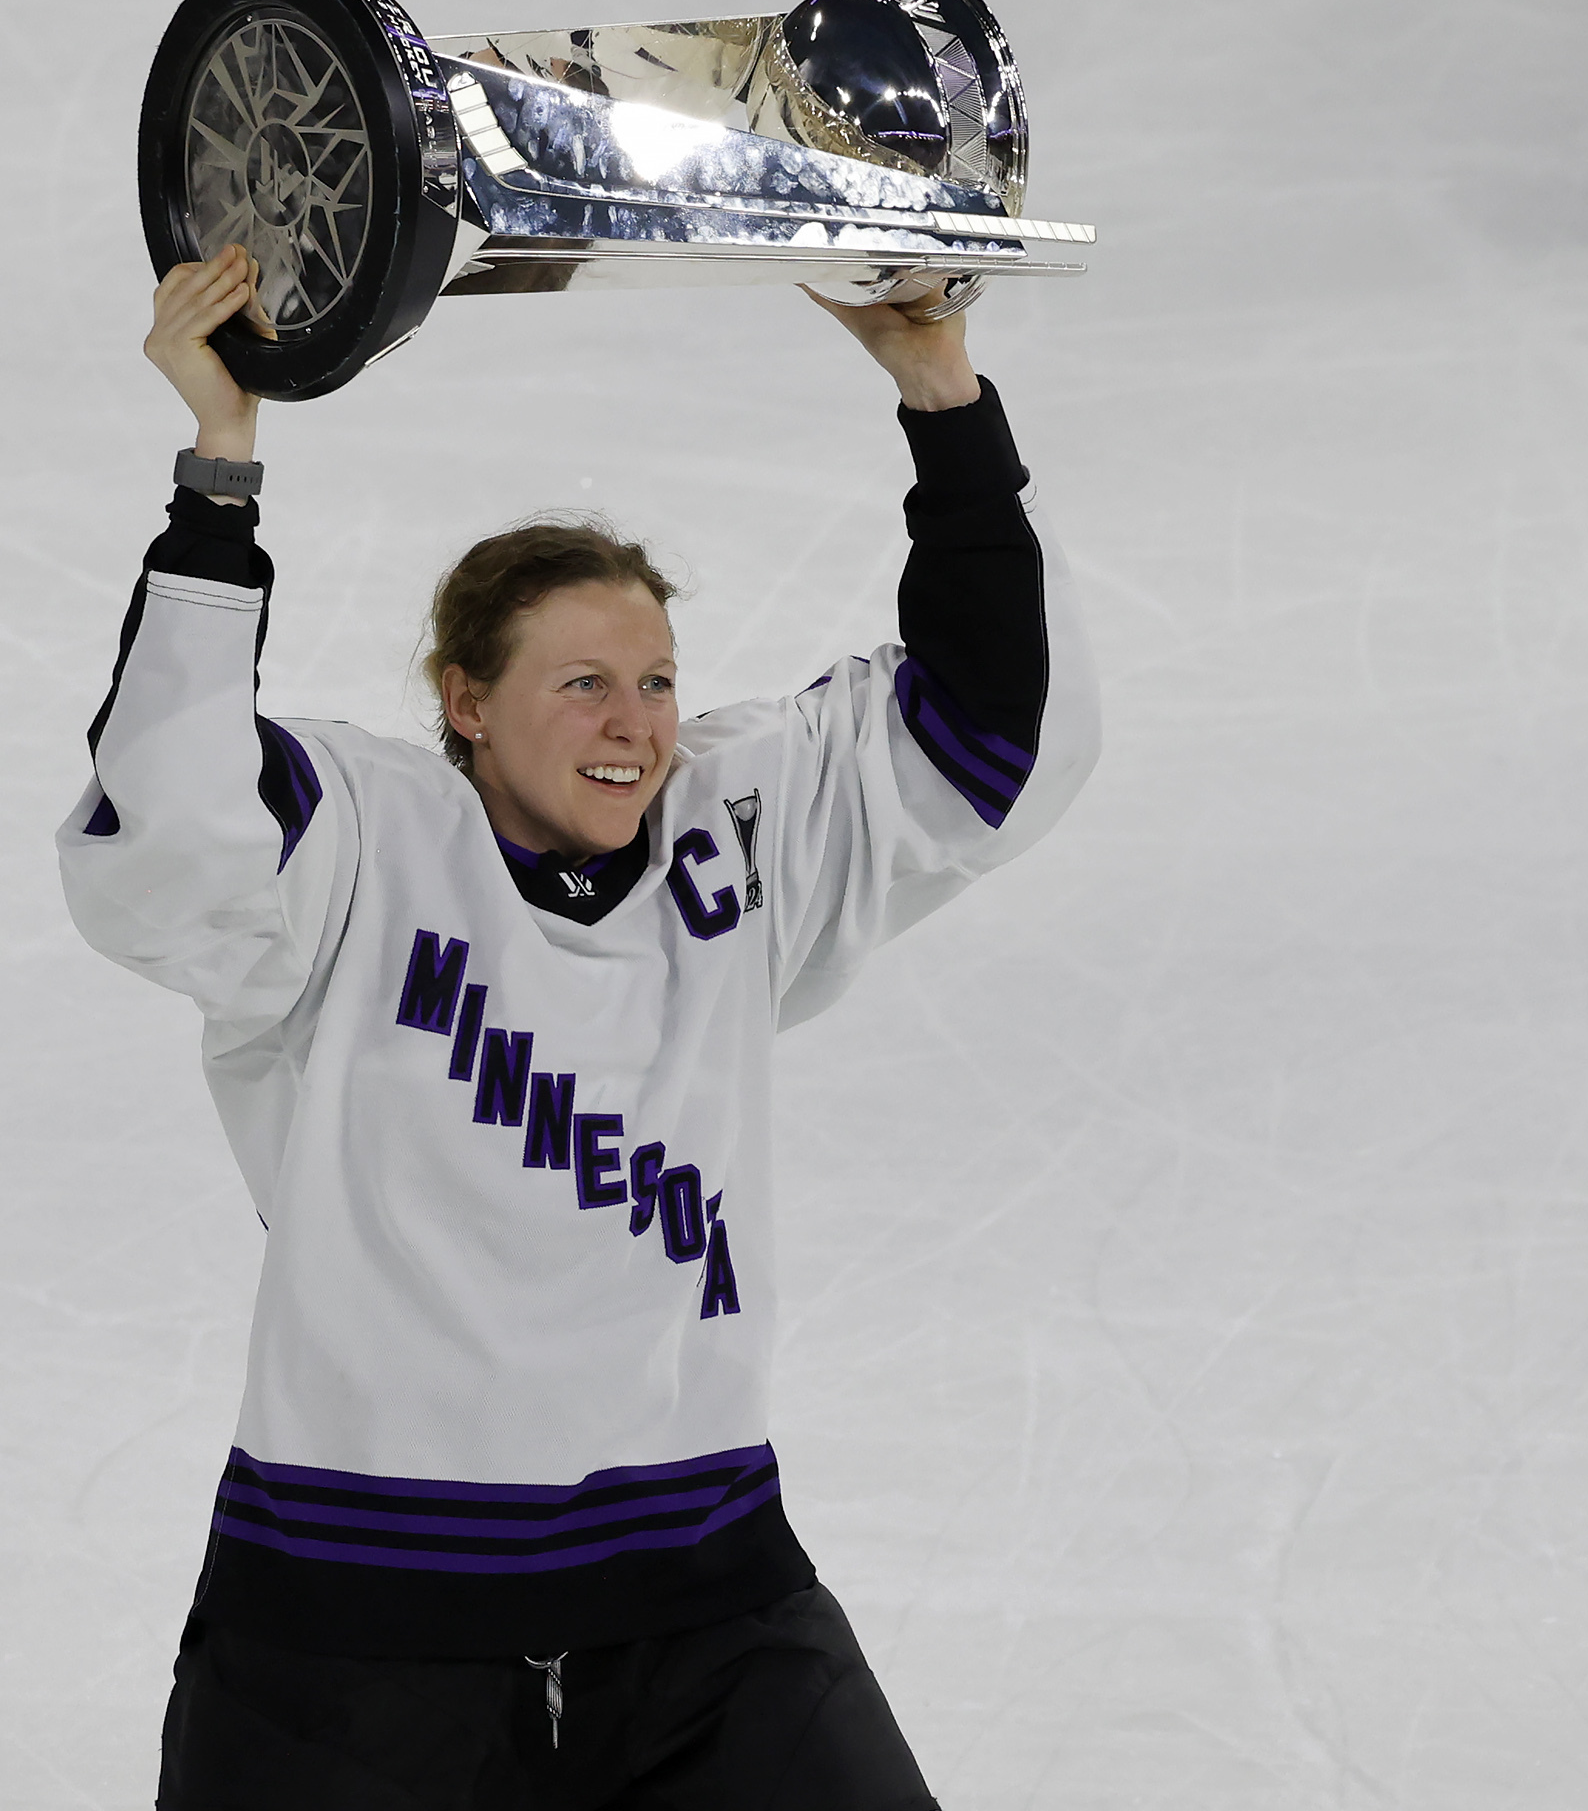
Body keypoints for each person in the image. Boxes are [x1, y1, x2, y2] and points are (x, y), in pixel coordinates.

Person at [62, 243, 1100, 1806]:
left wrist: (939, 393)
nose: (637, 727)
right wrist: (222, 468)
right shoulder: (355, 843)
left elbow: (994, 737)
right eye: (585, 686)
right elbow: (168, 826)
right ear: (464, 699)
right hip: (351, 1624)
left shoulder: (733, 837)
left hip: (702, 1604)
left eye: (659, 683)